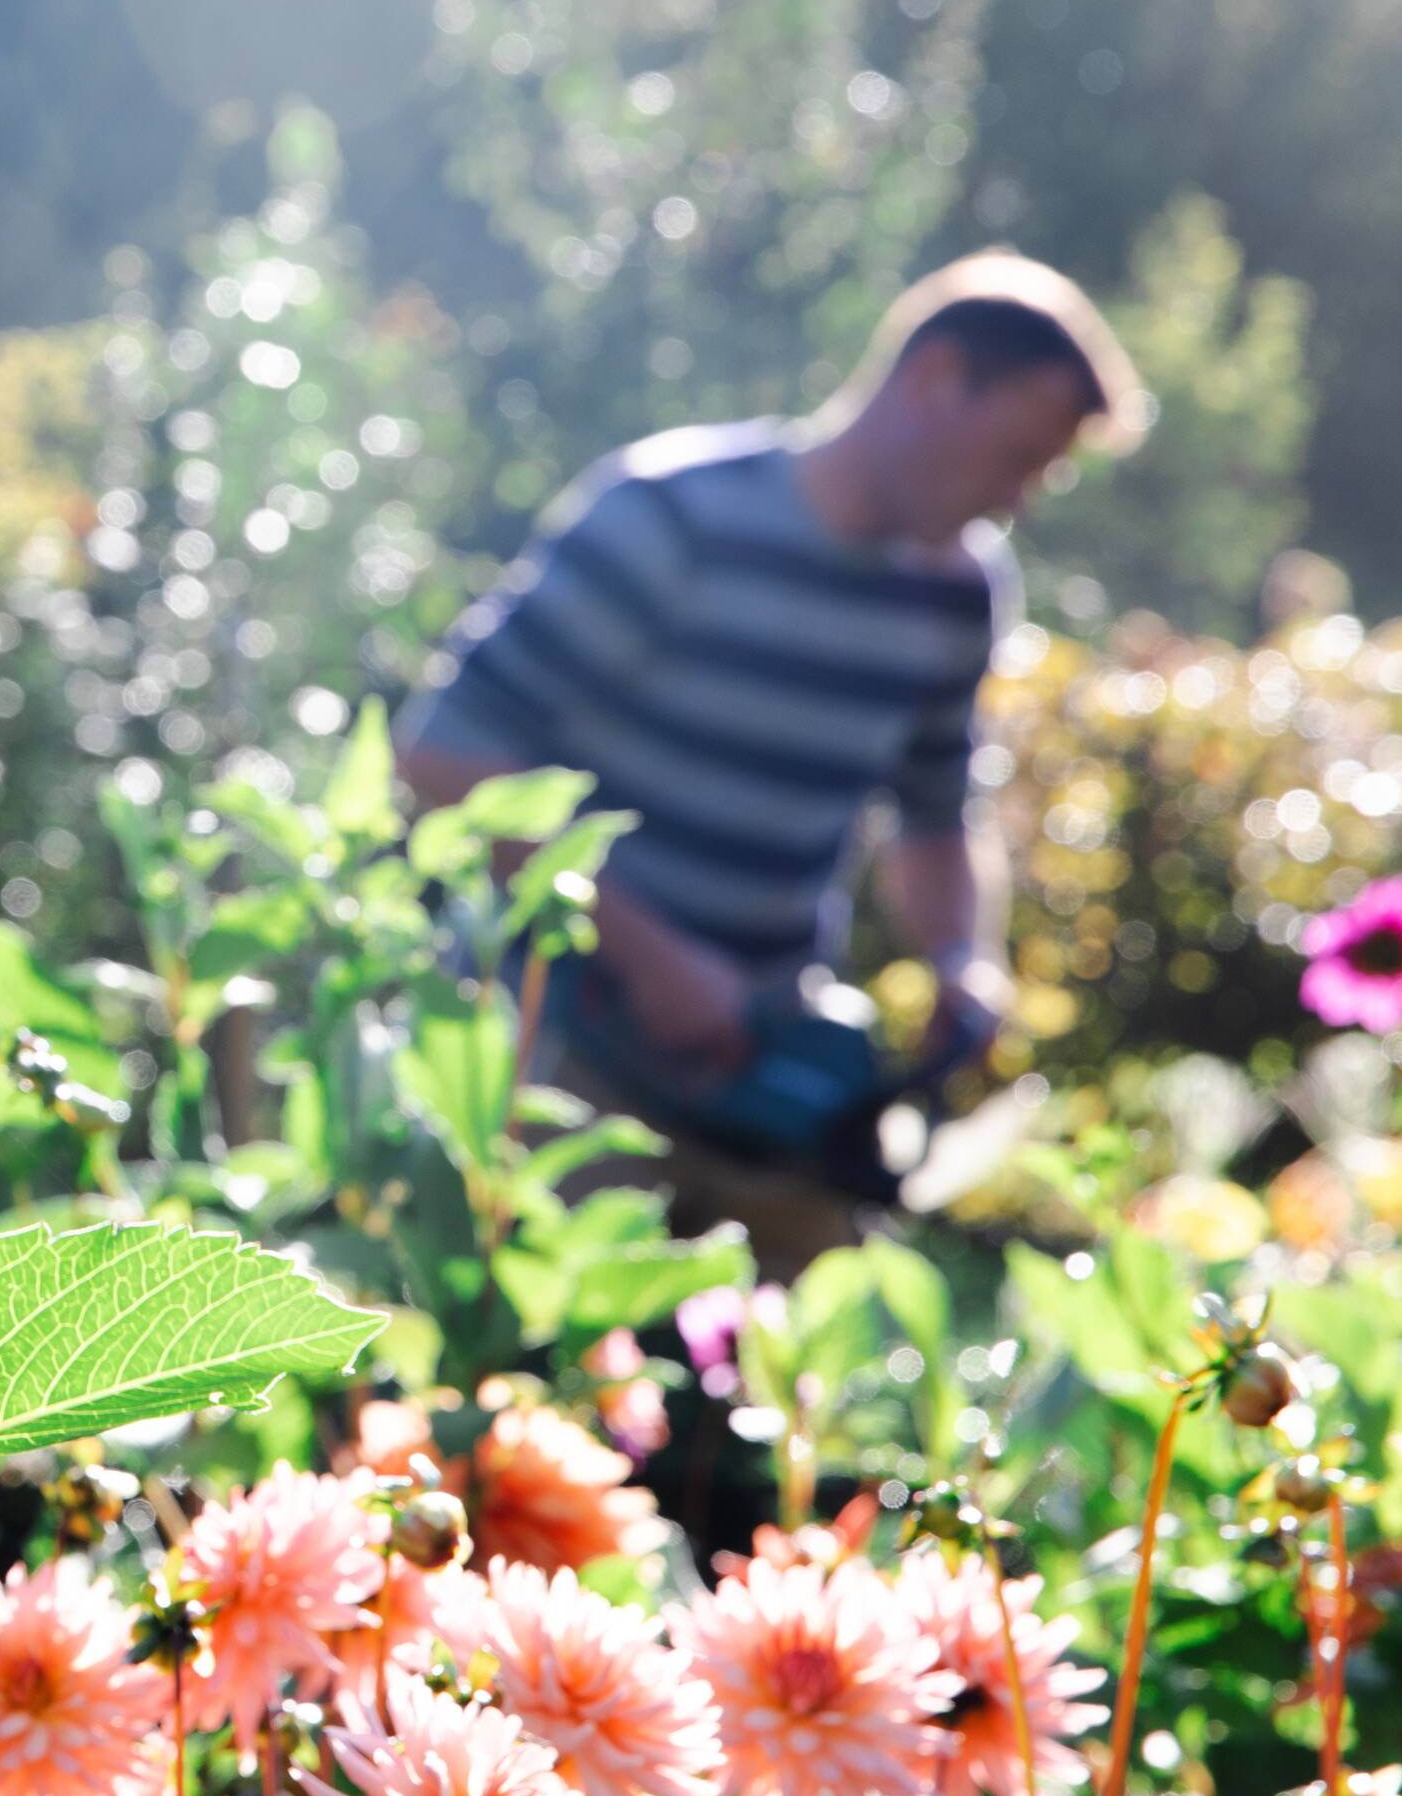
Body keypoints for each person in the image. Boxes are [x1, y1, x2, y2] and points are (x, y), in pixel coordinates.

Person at [397, 250, 1147, 1245]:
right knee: (539, 1370)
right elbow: (444, 761)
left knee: (812, 1384)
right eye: (1013, 456)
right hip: (562, 1056)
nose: (1016, 498)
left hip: (765, 1067)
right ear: (932, 378)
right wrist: (655, 957)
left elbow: (933, 814)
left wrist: (963, 956)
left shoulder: (959, 589)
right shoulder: (668, 516)